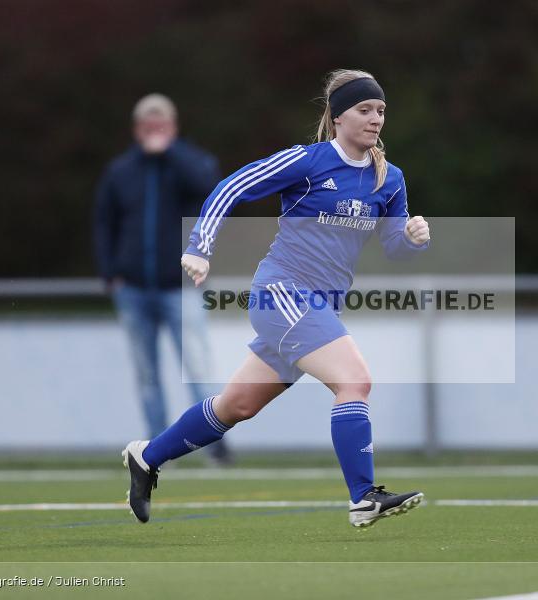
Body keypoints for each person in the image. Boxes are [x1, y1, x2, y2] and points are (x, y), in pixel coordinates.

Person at [122, 69, 431, 528]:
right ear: (338, 116)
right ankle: (363, 496)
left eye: (381, 111)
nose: (375, 119)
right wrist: (199, 247)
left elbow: (394, 249)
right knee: (355, 382)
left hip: (317, 308)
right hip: (281, 293)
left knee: (236, 406)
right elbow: (232, 186)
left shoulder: (390, 179)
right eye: (365, 110)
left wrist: (413, 238)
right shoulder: (307, 162)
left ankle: (147, 456)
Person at [95, 93, 232, 465]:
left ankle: (215, 445)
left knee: (198, 370)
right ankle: (155, 453)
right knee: (147, 376)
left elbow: (211, 189)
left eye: (161, 127)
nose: (154, 133)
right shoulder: (120, 171)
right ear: (137, 130)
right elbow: (104, 222)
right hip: (133, 289)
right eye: (147, 127)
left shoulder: (191, 163)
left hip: (181, 287)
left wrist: (171, 152)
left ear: (173, 127)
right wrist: (110, 272)